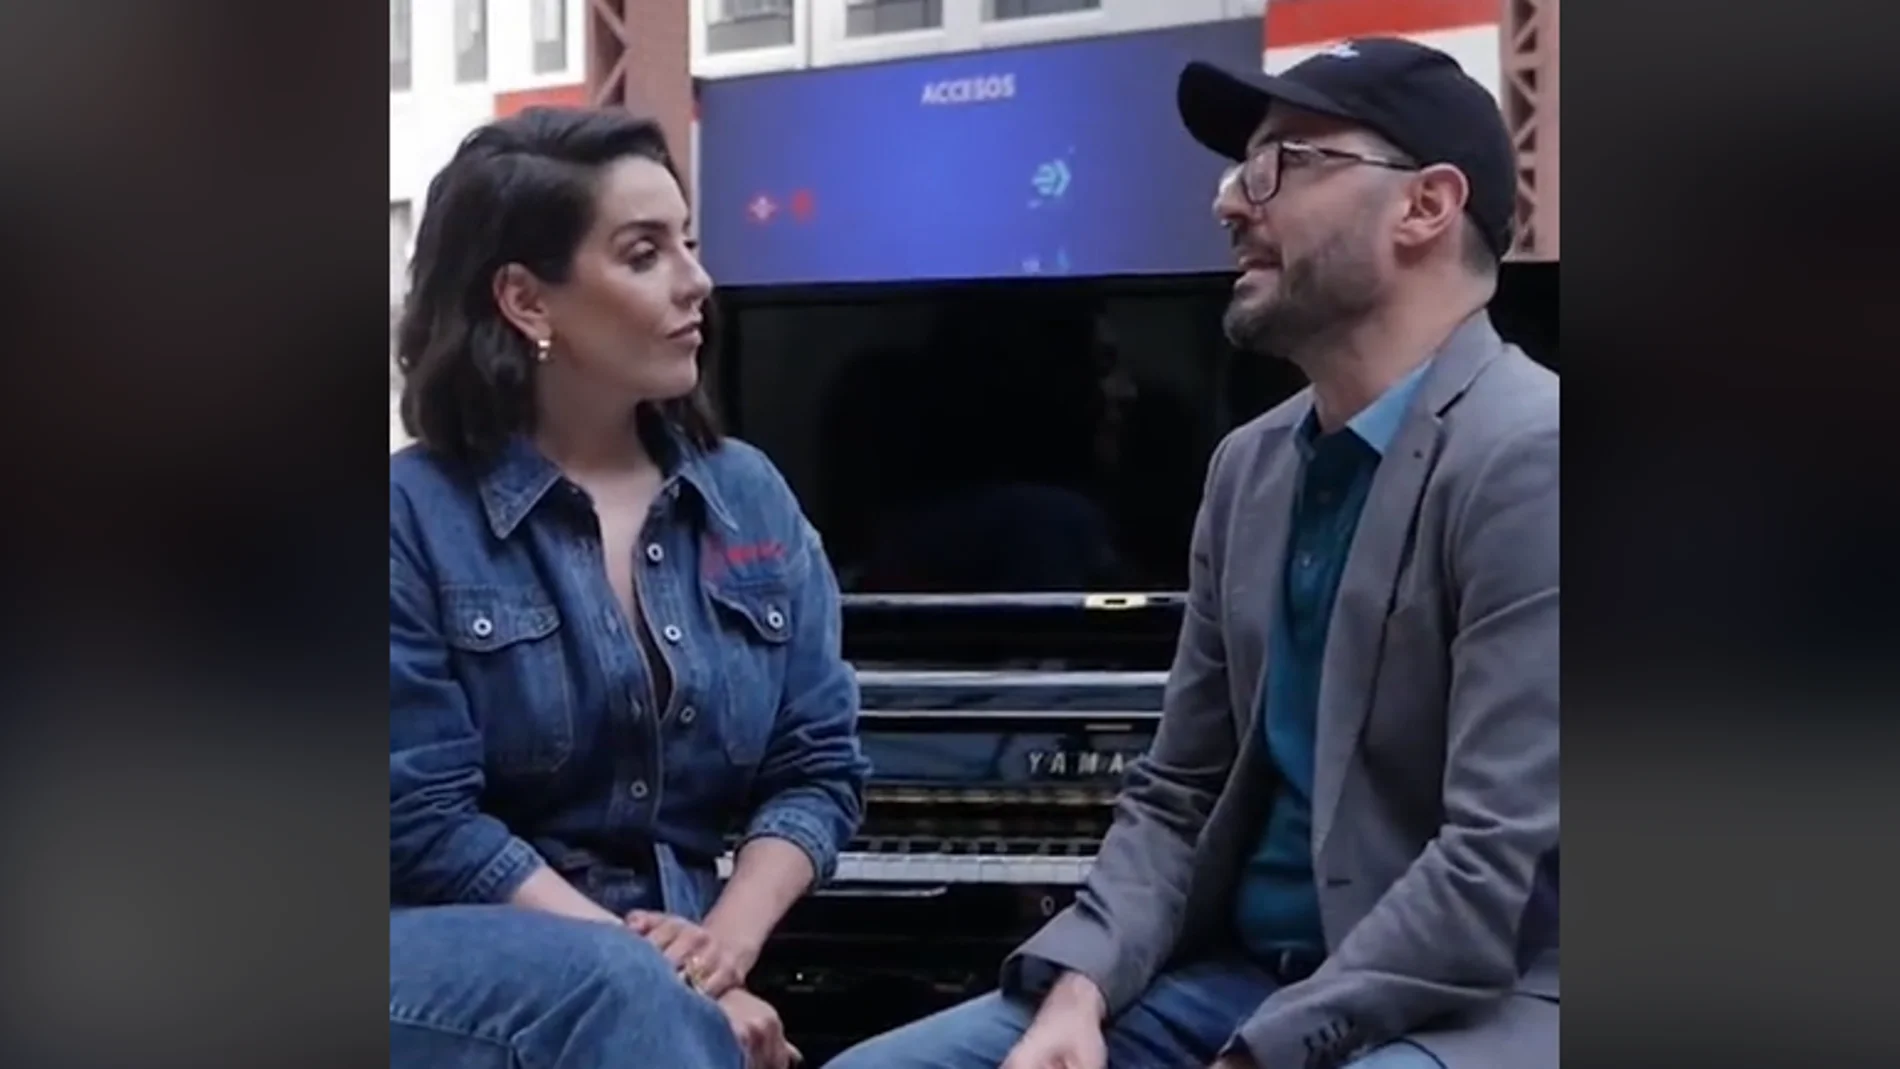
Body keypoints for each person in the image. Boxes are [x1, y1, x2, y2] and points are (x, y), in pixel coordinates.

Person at [824, 37, 1557, 1069]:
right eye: (1236, 166)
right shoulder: (1249, 466)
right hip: (1235, 982)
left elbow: (1491, 861)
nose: (1229, 201)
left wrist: (1266, 1049)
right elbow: (1177, 792)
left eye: (1283, 162)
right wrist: (1079, 989)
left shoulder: (1535, 454)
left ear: (1425, 206)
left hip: (1470, 1005)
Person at [389, 107, 871, 1069]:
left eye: (688, 244)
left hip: (674, 965)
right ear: (528, 300)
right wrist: (660, 980)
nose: (697, 282)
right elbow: (427, 824)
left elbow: (818, 768)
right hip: (444, 951)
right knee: (615, 996)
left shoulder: (748, 497)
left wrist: (723, 951)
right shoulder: (407, 515)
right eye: (645, 253)